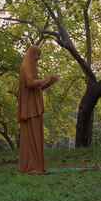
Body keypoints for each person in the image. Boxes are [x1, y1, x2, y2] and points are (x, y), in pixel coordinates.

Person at [17, 45, 59, 174]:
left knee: (36, 136)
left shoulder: (31, 67)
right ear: (32, 54)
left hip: (34, 107)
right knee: (31, 137)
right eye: (37, 55)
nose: (38, 58)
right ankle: (31, 166)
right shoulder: (26, 67)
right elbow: (30, 83)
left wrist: (50, 82)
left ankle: (36, 165)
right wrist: (45, 79)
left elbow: (37, 88)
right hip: (30, 109)